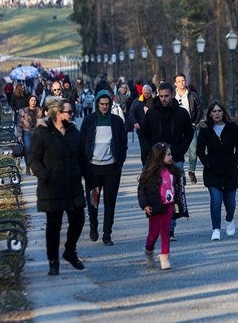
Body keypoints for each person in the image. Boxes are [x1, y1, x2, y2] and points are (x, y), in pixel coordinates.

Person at [29, 98, 98, 276]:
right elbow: (33, 160)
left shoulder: (74, 133)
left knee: (78, 219)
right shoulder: (42, 133)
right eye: (68, 111)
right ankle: (53, 260)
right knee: (54, 225)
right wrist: (45, 176)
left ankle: (70, 250)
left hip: (73, 185)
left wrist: (93, 184)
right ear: (58, 114)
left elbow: (83, 159)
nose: (72, 114)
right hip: (52, 187)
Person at [140, 82, 194, 241]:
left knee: (174, 193)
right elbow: (144, 135)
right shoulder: (151, 114)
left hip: (175, 159)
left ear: (172, 95)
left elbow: (189, 133)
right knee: (157, 193)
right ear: (158, 95)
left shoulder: (181, 113)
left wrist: (180, 150)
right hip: (155, 160)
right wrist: (148, 155)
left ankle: (170, 228)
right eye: (161, 96)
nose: (163, 99)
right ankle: (161, 225)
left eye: (167, 96)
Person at [80, 90, 127, 245]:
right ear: (97, 104)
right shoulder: (89, 120)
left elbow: (123, 142)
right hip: (93, 169)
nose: (104, 107)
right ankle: (93, 226)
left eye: (107, 104)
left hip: (112, 169)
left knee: (110, 202)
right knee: (93, 202)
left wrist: (120, 160)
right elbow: (82, 142)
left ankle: (107, 234)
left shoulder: (117, 121)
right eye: (102, 104)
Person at [196, 100, 238, 241]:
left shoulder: (232, 127)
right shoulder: (205, 129)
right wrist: (207, 163)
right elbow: (200, 150)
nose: (217, 114)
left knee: (230, 202)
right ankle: (215, 229)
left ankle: (229, 220)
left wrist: (236, 161)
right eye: (214, 111)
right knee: (216, 200)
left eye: (219, 111)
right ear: (210, 114)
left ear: (223, 112)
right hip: (213, 171)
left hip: (230, 170)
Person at [137, 142, 182, 270]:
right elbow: (141, 190)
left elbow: (176, 188)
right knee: (153, 234)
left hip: (168, 206)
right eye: (168, 155)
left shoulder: (173, 171)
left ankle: (164, 256)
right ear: (159, 156)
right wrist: (145, 205)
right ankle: (149, 250)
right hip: (154, 207)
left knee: (165, 231)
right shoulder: (149, 173)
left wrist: (177, 202)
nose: (171, 157)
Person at [174, 74, 203, 185]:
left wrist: (194, 122)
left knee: (193, 150)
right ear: (175, 83)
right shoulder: (172, 95)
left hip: (190, 126)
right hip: (176, 128)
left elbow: (199, 109)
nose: (182, 82)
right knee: (177, 150)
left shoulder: (192, 95)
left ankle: (191, 170)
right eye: (179, 81)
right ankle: (179, 172)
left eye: (183, 80)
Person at [129, 84, 153, 165]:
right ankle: (145, 165)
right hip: (141, 129)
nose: (146, 94)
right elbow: (131, 114)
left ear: (151, 93)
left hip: (153, 129)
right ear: (142, 92)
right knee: (144, 149)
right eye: (145, 93)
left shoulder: (154, 101)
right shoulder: (136, 102)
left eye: (148, 93)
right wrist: (135, 122)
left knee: (152, 148)